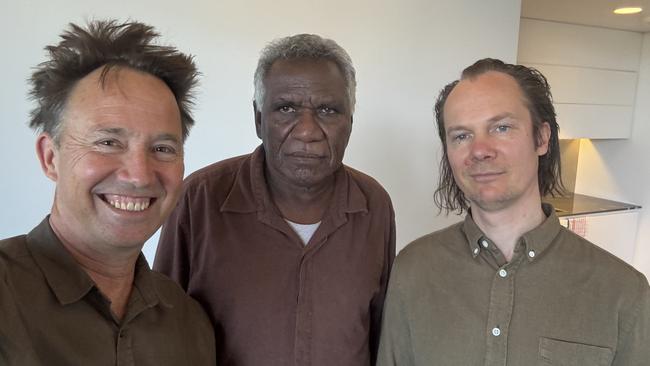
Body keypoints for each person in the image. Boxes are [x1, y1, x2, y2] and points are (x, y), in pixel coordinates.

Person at [377, 58, 650, 365]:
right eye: (461, 136)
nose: (479, 150)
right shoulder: (413, 270)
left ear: (542, 138)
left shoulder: (623, 292)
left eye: (502, 127)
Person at [154, 33, 396, 366]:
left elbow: (382, 337)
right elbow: (161, 330)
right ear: (258, 119)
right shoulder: (200, 200)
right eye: (286, 108)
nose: (307, 131)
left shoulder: (374, 205)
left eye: (327, 110)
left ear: (350, 123)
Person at [0, 20, 215, 365]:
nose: (139, 175)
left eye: (162, 148)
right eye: (108, 142)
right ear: (50, 157)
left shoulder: (190, 323)